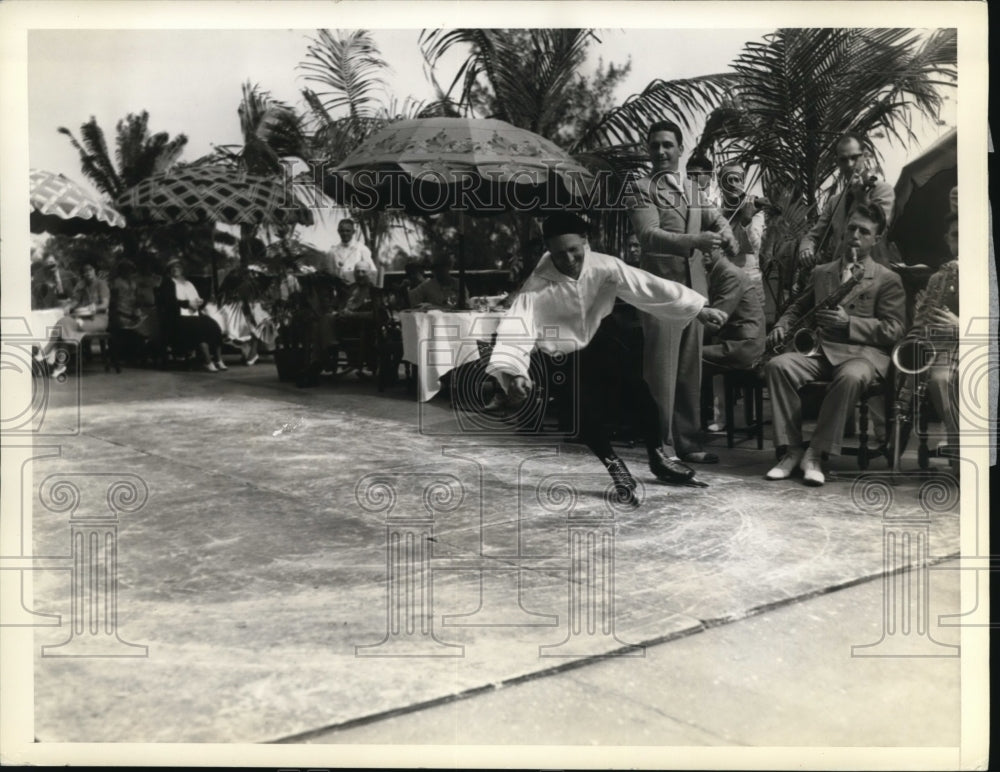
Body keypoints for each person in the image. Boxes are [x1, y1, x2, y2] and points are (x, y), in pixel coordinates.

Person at [486, 212, 728, 505]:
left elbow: (647, 286)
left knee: (643, 396)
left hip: (602, 338)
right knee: (585, 417)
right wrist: (514, 374)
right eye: (560, 254)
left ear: (585, 242)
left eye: (574, 250)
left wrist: (698, 309)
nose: (570, 259)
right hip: (562, 356)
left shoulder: (605, 266)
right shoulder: (537, 287)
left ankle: (658, 456)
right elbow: (516, 327)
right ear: (548, 250)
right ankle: (616, 467)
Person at [628, 119, 740, 476]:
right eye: (655, 145)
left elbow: (714, 216)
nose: (661, 152)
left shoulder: (691, 189)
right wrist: (695, 242)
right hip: (661, 293)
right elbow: (649, 235)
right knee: (661, 372)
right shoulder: (640, 188)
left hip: (695, 292)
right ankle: (661, 447)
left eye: (667, 145)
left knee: (689, 371)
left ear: (680, 150)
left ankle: (689, 443)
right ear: (649, 150)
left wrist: (726, 232)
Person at [764, 204, 905, 486]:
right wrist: (780, 325)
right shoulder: (822, 272)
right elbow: (797, 307)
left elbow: (895, 328)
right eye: (851, 228)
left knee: (852, 376)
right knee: (778, 365)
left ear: (876, 239)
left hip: (863, 356)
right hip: (821, 352)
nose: (855, 235)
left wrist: (849, 323)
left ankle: (815, 453)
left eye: (864, 231)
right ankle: (791, 452)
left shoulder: (887, 278)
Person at [902, 213, 960, 466]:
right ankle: (959, 450)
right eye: (956, 235)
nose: (963, 241)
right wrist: (911, 352)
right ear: (948, 240)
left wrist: (962, 327)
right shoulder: (937, 278)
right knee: (941, 378)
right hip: (946, 352)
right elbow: (921, 324)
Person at [798, 132, 896, 269]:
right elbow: (814, 235)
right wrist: (806, 248)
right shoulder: (835, 200)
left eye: (854, 158)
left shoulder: (883, 190)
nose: (849, 164)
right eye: (843, 160)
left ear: (865, 156)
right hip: (840, 274)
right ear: (838, 162)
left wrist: (862, 199)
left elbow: (880, 228)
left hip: (872, 274)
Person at [699, 246, 767, 431]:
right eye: (699, 248)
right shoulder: (718, 271)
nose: (703, 252)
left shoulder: (729, 274)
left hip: (744, 345)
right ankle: (700, 417)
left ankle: (686, 425)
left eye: (709, 248)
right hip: (736, 341)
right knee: (692, 353)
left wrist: (688, 337)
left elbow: (715, 320)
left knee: (688, 358)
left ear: (721, 250)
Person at [34, 260, 109, 379]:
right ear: (82, 274)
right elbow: (75, 301)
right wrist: (69, 306)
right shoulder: (82, 285)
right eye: (85, 271)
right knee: (64, 323)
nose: (88, 273)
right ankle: (59, 364)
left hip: (98, 319)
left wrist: (95, 307)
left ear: (95, 271)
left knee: (67, 328)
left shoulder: (101, 284)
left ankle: (49, 353)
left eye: (90, 270)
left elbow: (105, 305)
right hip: (82, 318)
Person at [159, 258, 227, 372]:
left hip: (193, 313)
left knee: (213, 324)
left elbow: (197, 299)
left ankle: (218, 359)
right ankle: (207, 361)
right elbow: (169, 302)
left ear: (182, 269)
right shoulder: (168, 283)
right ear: (169, 271)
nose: (176, 269)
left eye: (178, 267)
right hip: (177, 317)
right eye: (173, 268)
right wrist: (186, 303)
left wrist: (200, 302)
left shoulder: (188, 283)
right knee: (198, 327)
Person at [325, 218, 377, 285]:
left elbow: (372, 272)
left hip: (357, 289)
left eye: (348, 231)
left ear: (353, 232)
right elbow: (330, 274)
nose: (345, 233)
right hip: (339, 289)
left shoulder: (361, 249)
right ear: (338, 231)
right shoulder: (332, 252)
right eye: (342, 231)